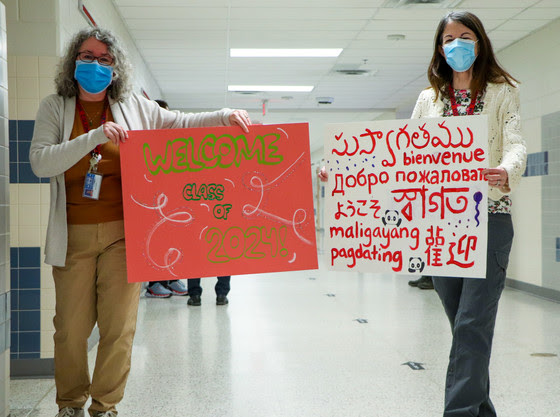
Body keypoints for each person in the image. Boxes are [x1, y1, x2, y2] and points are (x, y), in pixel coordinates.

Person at [29, 27, 251, 417]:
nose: (94, 64)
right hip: (73, 236)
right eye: (87, 56)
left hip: (126, 234)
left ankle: (105, 406)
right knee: (70, 331)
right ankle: (70, 403)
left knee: (119, 329)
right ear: (72, 61)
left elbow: (179, 123)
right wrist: (93, 137)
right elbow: (40, 162)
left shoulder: (134, 106)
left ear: (115, 68)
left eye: (104, 59)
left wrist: (224, 115)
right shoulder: (54, 107)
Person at [411, 11, 526, 417]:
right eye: (447, 39)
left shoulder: (501, 91)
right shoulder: (429, 99)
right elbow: (405, 155)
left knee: (472, 324)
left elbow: (515, 141)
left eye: (464, 36)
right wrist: (343, 174)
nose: (455, 44)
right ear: (439, 48)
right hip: (442, 225)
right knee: (462, 326)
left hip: (489, 218)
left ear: (479, 43)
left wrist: (506, 169)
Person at [144, 99, 189, 298]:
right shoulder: (145, 140)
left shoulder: (171, 141)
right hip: (153, 202)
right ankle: (155, 283)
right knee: (157, 242)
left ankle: (171, 279)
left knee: (175, 241)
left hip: (173, 201)